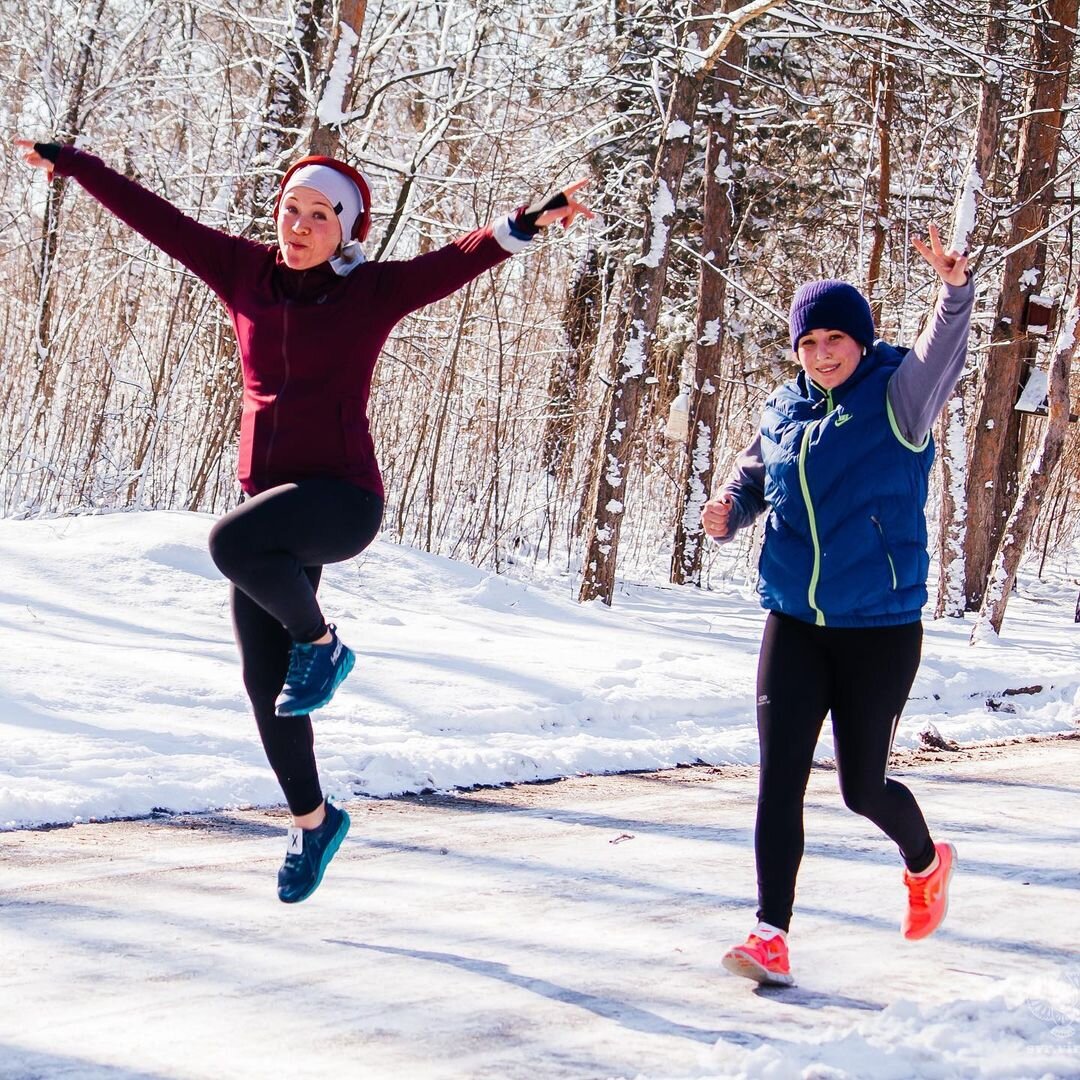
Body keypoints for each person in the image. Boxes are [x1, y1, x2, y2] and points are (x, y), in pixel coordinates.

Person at [17, 137, 591, 904]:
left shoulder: (369, 293)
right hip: (272, 513)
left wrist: (527, 221)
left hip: (343, 499)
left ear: (347, 230)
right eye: (292, 208)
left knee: (228, 543)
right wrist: (78, 166)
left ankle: (325, 645)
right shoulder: (243, 273)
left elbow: (455, 260)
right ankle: (313, 821)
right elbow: (159, 220)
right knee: (267, 683)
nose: (299, 224)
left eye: (320, 214)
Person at [701, 225, 972, 986]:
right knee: (778, 778)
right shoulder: (783, 412)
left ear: (861, 341)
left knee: (862, 787)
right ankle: (769, 934)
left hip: (878, 628)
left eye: (836, 340)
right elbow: (754, 479)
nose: (823, 354)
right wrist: (729, 507)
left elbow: (940, 355)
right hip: (794, 619)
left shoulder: (899, 401)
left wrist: (953, 294)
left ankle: (925, 859)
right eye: (809, 342)